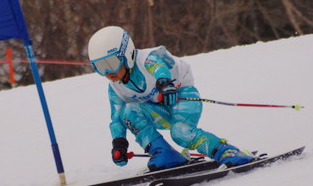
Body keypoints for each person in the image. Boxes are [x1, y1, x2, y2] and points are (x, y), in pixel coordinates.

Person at [88, 25, 254, 171]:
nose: (107, 72)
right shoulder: (115, 88)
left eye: (111, 63)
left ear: (127, 54)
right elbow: (116, 119)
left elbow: (159, 67)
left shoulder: (145, 59)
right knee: (128, 112)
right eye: (100, 67)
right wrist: (119, 144)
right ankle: (164, 153)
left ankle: (227, 151)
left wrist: (165, 84)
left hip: (181, 96)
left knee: (180, 132)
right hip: (160, 108)